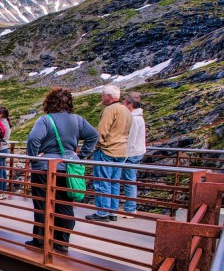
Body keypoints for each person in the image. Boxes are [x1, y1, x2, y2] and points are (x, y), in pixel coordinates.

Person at [25, 88, 99, 254]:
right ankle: (62, 242)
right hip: (68, 167)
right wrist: (80, 155)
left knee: (42, 205)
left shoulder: (45, 120)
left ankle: (40, 241)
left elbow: (33, 139)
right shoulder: (78, 120)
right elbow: (94, 135)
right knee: (65, 205)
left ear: (50, 102)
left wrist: (35, 158)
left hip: (44, 169)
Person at [86, 85, 132, 222]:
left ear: (108, 96)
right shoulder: (125, 110)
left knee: (102, 181)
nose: (102, 98)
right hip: (121, 150)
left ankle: (102, 212)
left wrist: (96, 146)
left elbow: (102, 131)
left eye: (103, 95)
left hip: (107, 150)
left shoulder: (110, 110)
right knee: (114, 182)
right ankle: (113, 211)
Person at [119, 93, 147, 218]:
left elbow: (131, 139)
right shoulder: (138, 117)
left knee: (129, 181)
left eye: (124, 103)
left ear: (130, 104)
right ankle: (130, 208)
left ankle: (130, 209)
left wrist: (125, 156)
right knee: (130, 180)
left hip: (132, 154)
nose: (123, 105)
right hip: (137, 152)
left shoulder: (135, 119)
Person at [0, 106, 12, 199]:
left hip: (0, 149)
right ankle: (3, 191)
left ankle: (0, 192)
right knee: (3, 171)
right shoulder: (7, 122)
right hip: (5, 148)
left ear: (1, 114)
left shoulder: (1, 123)